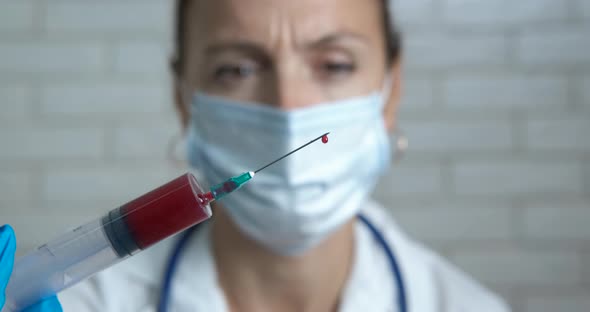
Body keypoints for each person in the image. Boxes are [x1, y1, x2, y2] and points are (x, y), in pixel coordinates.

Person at [1, 0, 510, 311]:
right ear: (184, 97)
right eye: (236, 70)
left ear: (390, 91)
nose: (288, 107)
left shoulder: (465, 306)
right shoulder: (84, 304)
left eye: (333, 63)